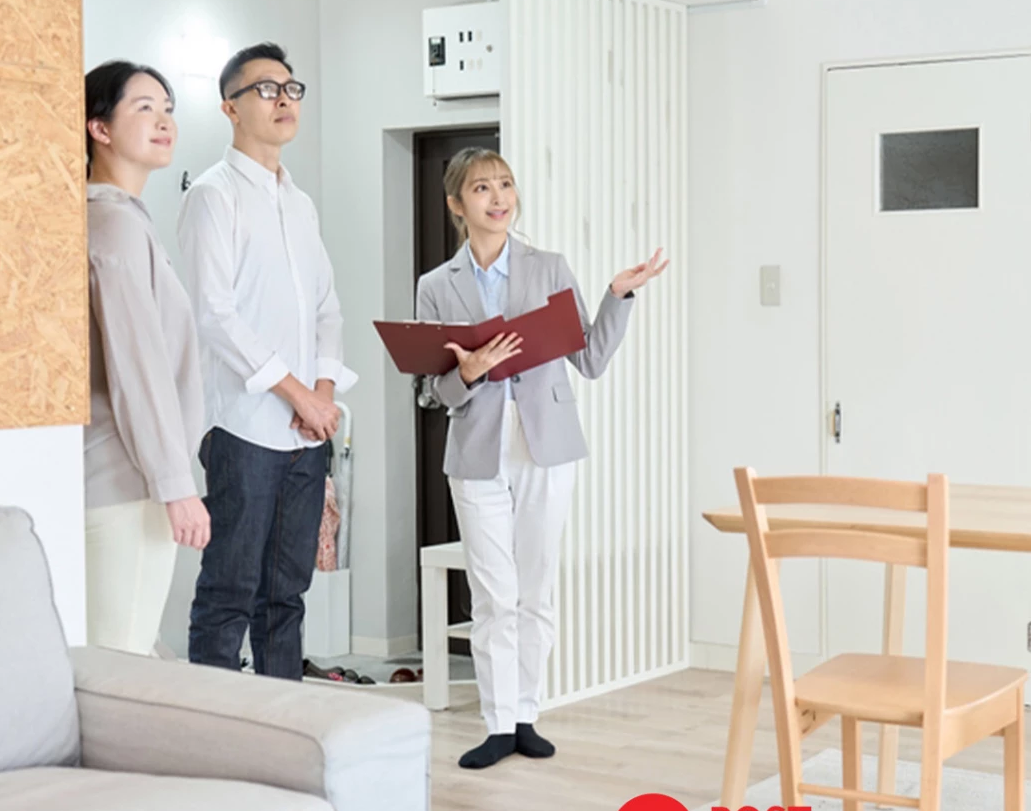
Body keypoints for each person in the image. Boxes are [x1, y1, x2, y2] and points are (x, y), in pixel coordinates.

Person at [415, 148, 668, 768]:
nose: (498, 197)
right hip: (476, 452)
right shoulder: (436, 286)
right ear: (456, 204)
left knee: (536, 589)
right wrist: (467, 372)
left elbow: (591, 359)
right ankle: (498, 724)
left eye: (505, 185)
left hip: (546, 448)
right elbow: (428, 391)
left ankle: (526, 714)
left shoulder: (549, 267)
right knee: (493, 595)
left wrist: (618, 296)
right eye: (482, 188)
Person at [180, 42, 353, 680]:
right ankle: (216, 726)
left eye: (291, 88)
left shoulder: (299, 203)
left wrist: (322, 395)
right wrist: (297, 394)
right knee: (230, 588)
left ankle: (284, 720)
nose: (284, 100)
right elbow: (215, 315)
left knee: (287, 595)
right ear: (230, 107)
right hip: (243, 425)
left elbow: (327, 308)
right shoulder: (213, 195)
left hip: (307, 432)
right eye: (266, 89)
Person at [82, 60, 208, 655]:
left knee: (116, 657)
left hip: (120, 478)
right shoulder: (114, 225)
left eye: (168, 109)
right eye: (144, 108)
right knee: (122, 665)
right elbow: (138, 372)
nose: (164, 122)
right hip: (128, 482)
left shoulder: (116, 219)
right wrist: (175, 485)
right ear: (99, 128)